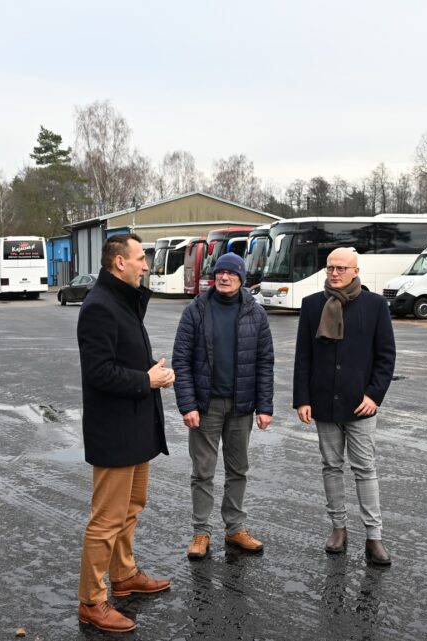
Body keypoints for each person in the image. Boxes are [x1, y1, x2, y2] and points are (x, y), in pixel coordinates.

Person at [76, 233, 175, 632]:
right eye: (140, 259)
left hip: (135, 427)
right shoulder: (99, 306)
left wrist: (152, 372)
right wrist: (146, 380)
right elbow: (98, 372)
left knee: (132, 507)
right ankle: (91, 600)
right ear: (119, 262)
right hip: (114, 432)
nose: (146, 266)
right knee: (106, 520)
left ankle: (124, 575)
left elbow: (125, 359)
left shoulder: (123, 301)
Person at [293, 247, 396, 566]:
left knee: (365, 469)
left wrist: (374, 395)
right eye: (330, 268)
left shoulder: (375, 306)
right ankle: (338, 528)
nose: (334, 273)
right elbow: (303, 356)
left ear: (355, 271)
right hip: (323, 402)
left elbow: (386, 356)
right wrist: (302, 398)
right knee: (331, 466)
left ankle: (374, 537)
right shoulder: (312, 305)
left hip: (361, 404)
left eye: (341, 268)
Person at [172, 252, 274, 560]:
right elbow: (181, 360)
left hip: (242, 406)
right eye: (220, 273)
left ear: (241, 278)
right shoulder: (196, 310)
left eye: (231, 273)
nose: (224, 277)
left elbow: (265, 362)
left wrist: (264, 406)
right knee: (203, 472)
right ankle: (201, 532)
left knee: (238, 470)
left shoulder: (255, 313)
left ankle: (235, 529)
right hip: (206, 406)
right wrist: (187, 405)